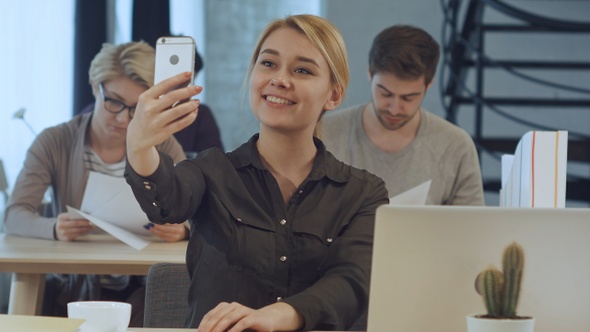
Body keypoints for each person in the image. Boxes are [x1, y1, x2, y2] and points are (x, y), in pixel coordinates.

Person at [125, 14, 388, 331]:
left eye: (302, 70)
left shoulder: (363, 194)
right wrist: (140, 147)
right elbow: (166, 201)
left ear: (333, 95)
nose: (280, 79)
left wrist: (282, 314)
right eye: (268, 64)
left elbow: (352, 281)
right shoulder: (212, 171)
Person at [3, 41, 187, 326]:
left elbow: (197, 214)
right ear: (94, 87)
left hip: (142, 285)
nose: (122, 118)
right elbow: (14, 215)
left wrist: (182, 229)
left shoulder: (163, 145)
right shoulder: (55, 142)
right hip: (75, 284)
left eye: (136, 108)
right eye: (113, 101)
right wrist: (53, 227)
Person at [321, 25, 485, 205]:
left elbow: (470, 228)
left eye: (408, 98)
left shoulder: (455, 146)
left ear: (428, 85)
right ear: (370, 74)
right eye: (385, 94)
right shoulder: (325, 134)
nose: (394, 109)